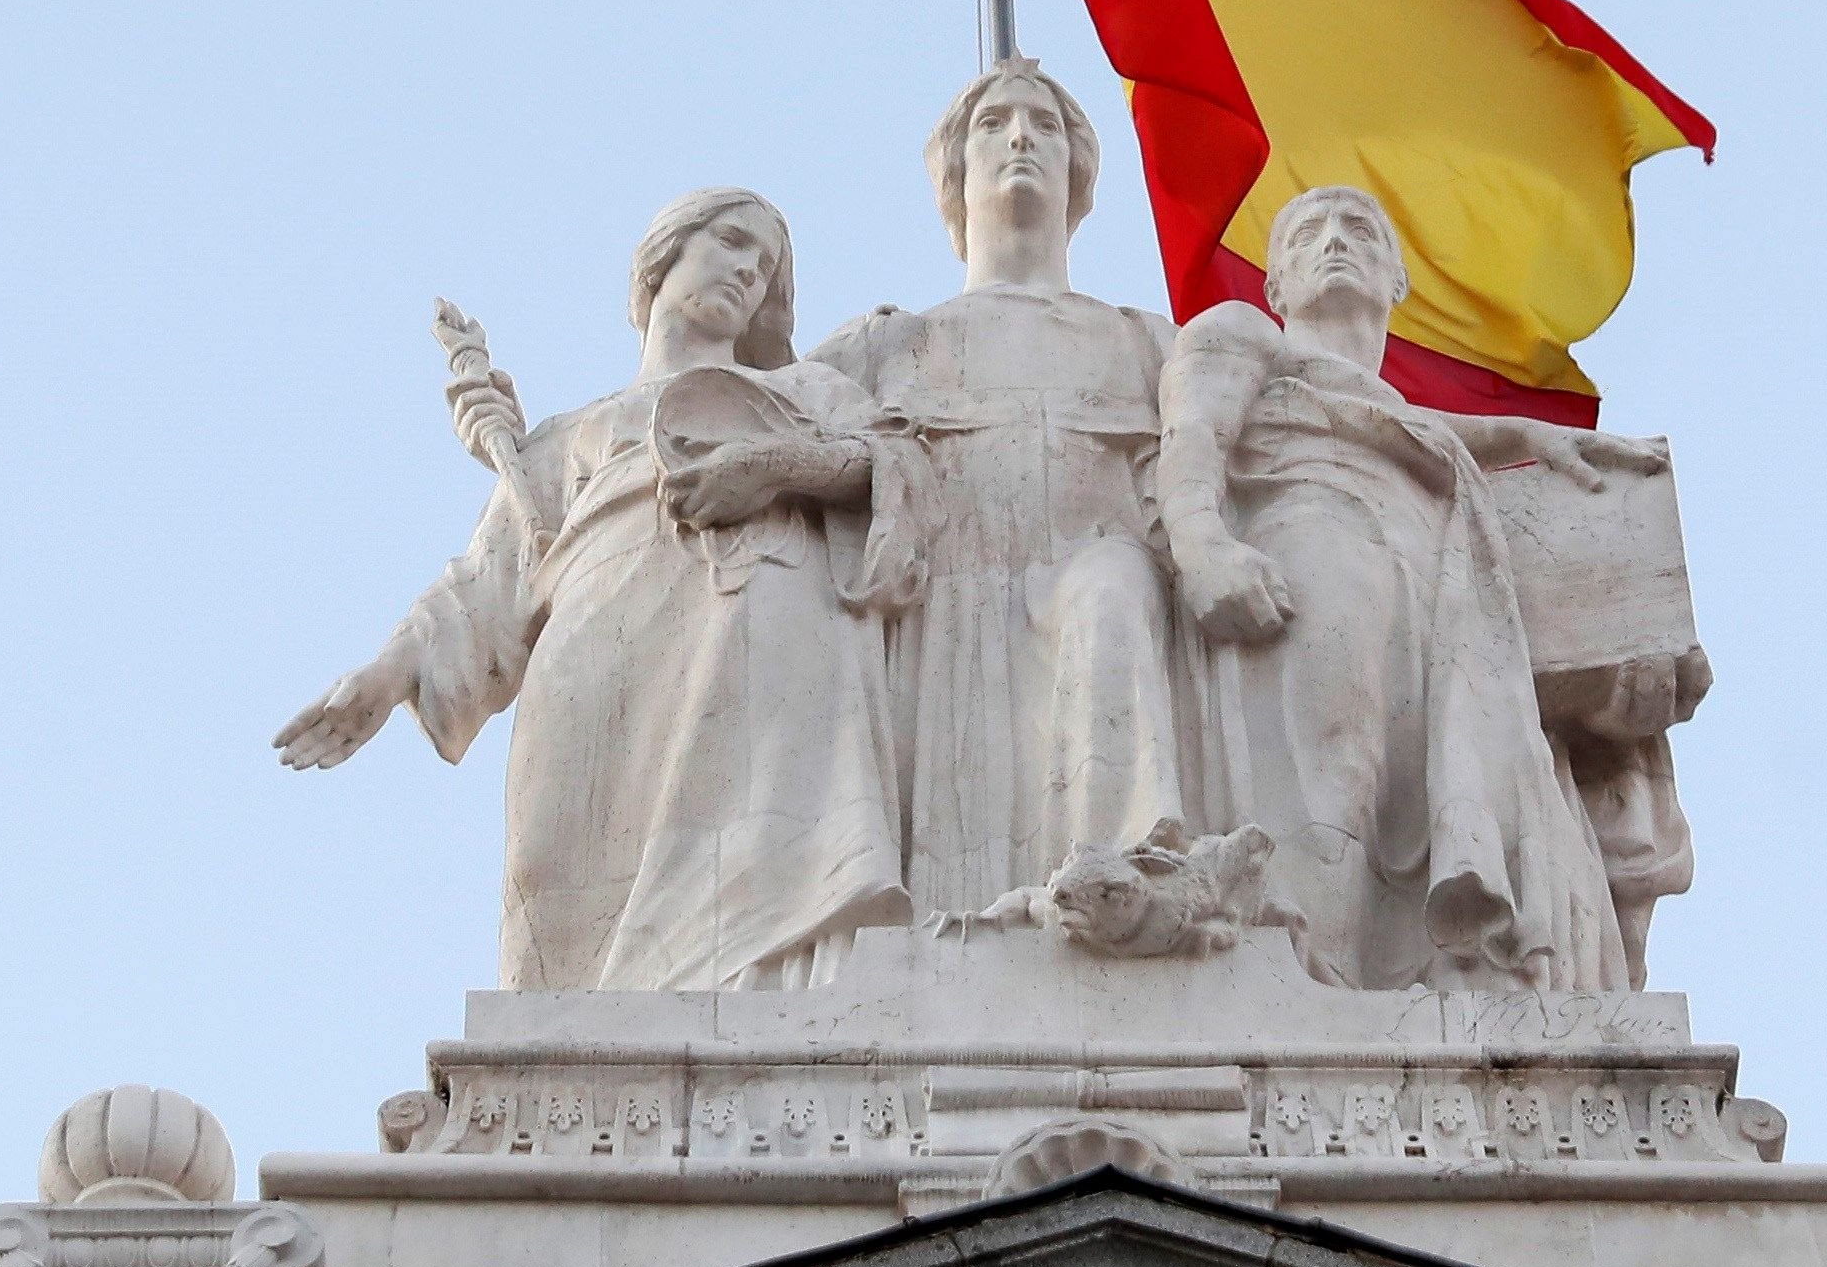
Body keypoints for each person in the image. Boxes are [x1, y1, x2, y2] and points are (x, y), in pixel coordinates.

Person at [275, 189, 906, 994]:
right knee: (553, 877)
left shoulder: (806, 395)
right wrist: (389, 671)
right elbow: (487, 580)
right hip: (592, 660)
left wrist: (773, 468)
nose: (748, 269)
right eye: (731, 241)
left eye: (766, 265)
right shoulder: (572, 436)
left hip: (751, 640)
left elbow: (892, 469)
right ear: (662, 257)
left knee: (750, 889)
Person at [1157, 185, 1633, 993]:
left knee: (1410, 795)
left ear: (1398, 281)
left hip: (1426, 593)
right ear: (1274, 287)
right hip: (1309, 551)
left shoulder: (1413, 428)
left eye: (1360, 231)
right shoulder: (1241, 335)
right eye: (1307, 233)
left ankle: (1390, 978)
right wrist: (1202, 546)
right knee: (1333, 778)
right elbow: (1192, 436)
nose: (1334, 241)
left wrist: (1520, 434)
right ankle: (1315, 981)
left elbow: (1405, 422)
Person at [811, 64, 1198, 918]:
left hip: (1097, 582)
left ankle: (1120, 869)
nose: (1021, 136)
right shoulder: (888, 346)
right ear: (954, 176)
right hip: (943, 615)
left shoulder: (1147, 346)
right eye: (994, 123)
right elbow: (767, 420)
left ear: (1078, 176)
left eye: (1045, 125)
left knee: (1110, 588)